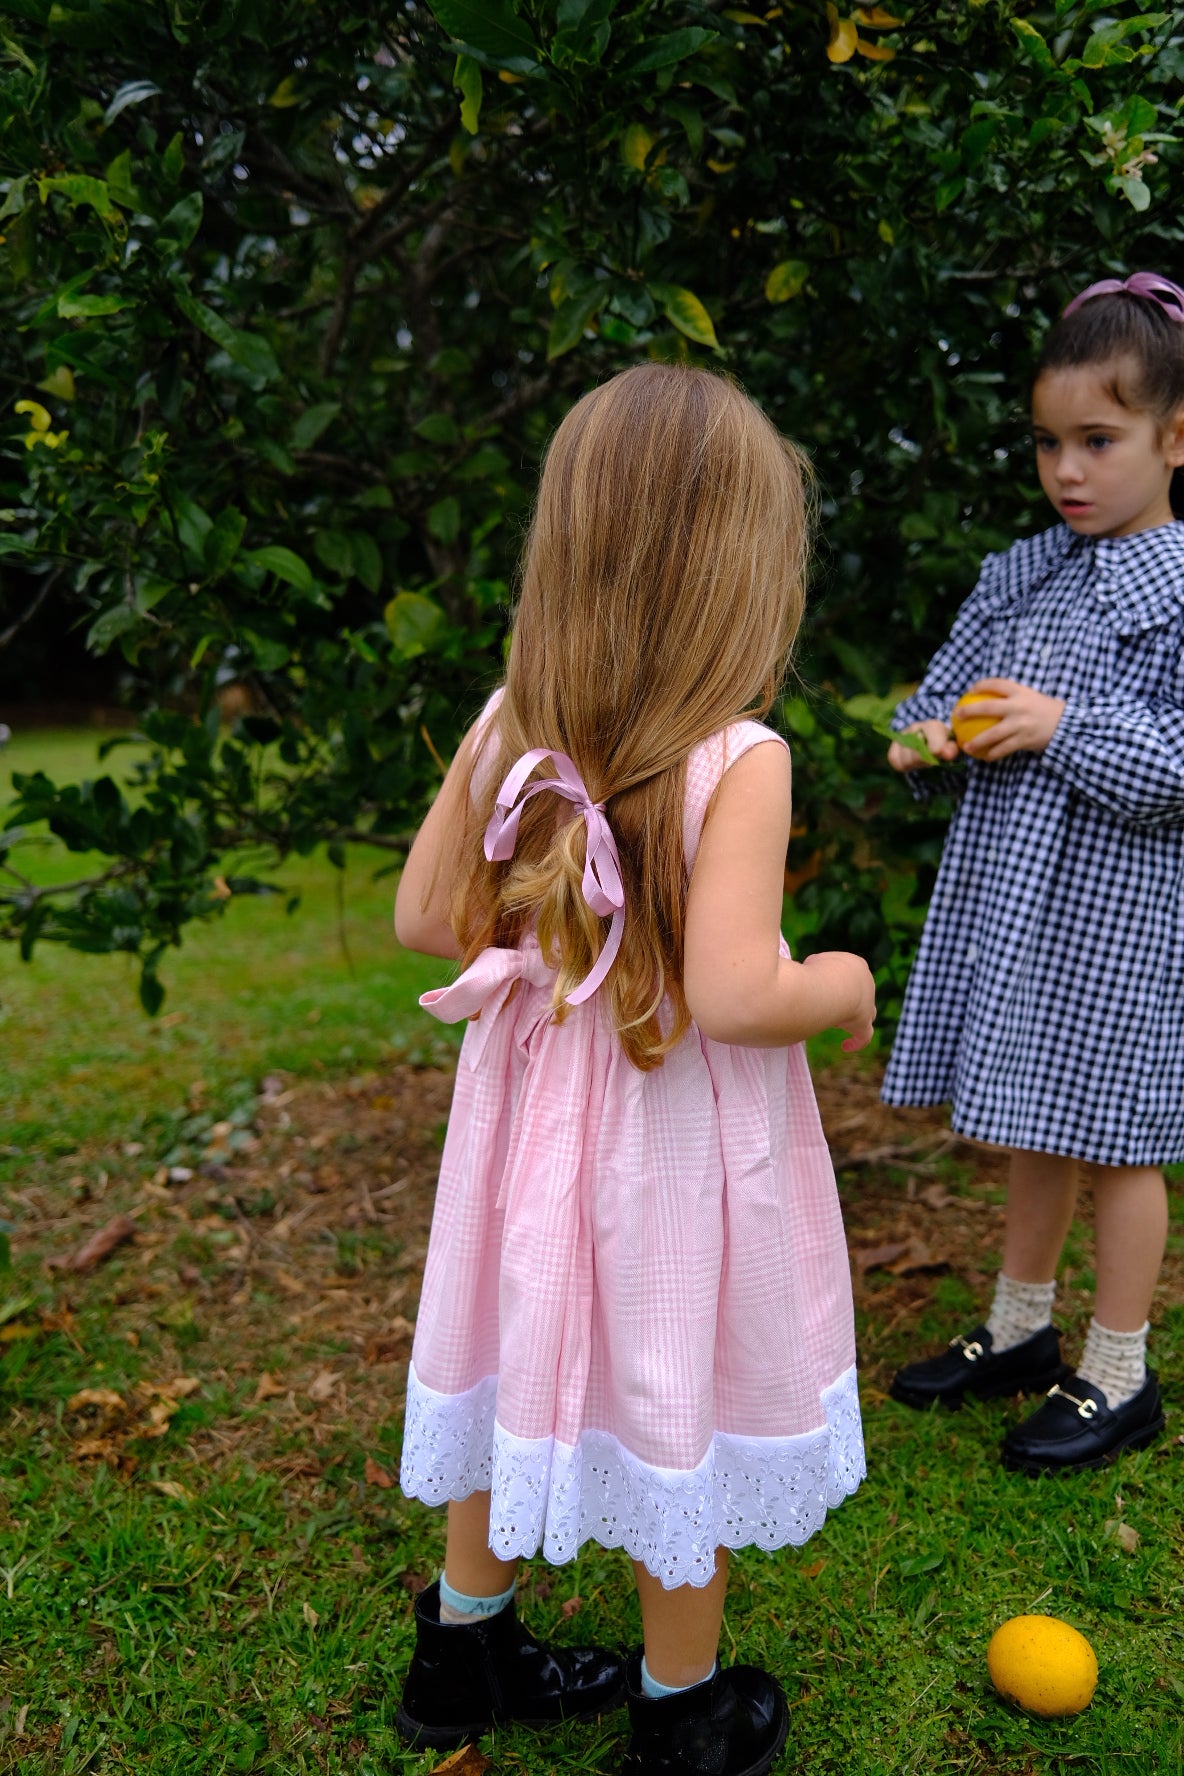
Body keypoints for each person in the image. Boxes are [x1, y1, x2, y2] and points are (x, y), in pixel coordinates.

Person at [392, 365, 875, 1774]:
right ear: (741, 565)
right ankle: (683, 1711)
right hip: (668, 1147)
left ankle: (464, 1650)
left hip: (527, 1123)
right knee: (676, 1379)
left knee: (498, 1350)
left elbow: (428, 918)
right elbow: (734, 992)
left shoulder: (509, 725)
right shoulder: (739, 758)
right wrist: (836, 981)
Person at [882, 271, 1184, 1475]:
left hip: (1126, 915)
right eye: (1049, 443)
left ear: (1175, 437)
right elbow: (940, 693)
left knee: (1115, 1137)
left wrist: (1060, 726)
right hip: (1016, 902)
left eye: (1097, 441)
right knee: (1031, 1123)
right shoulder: (1020, 575)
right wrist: (924, 737)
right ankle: (1017, 1325)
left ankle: (1118, 1366)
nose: (1066, 470)